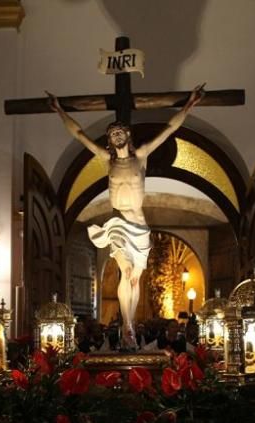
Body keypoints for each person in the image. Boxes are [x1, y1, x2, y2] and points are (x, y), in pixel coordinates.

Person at [48, 84, 205, 344]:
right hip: (118, 221)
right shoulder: (107, 160)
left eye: (120, 132)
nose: (117, 136)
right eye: (112, 134)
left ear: (127, 135)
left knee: (134, 280)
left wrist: (189, 105)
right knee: (125, 268)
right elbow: (79, 134)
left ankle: (129, 328)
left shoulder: (140, 156)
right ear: (110, 140)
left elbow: (169, 130)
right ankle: (129, 327)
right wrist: (59, 111)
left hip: (139, 224)